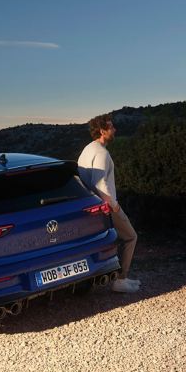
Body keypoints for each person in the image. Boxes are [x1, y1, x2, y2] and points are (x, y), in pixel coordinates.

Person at [78, 114, 140, 293]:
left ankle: (119, 277)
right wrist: (114, 205)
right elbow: (100, 183)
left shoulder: (88, 149)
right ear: (102, 131)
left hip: (93, 206)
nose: (115, 130)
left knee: (114, 240)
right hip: (107, 206)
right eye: (111, 127)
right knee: (130, 237)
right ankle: (120, 280)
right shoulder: (101, 154)